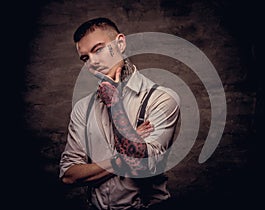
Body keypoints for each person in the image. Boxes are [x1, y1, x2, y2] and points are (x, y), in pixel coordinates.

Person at [59, 17, 180, 210]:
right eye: (85, 58)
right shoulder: (83, 108)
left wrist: (114, 103)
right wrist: (124, 156)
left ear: (120, 43)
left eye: (98, 49)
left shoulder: (162, 98)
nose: (93, 62)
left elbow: (142, 166)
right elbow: (69, 175)